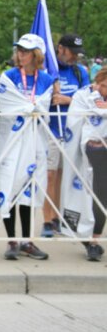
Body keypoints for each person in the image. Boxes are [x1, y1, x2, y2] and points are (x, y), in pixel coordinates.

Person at [0, 33, 55, 260]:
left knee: (29, 190)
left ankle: (27, 241)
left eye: (26, 51)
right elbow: (6, 103)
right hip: (11, 139)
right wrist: (30, 107)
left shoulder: (46, 79)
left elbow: (44, 107)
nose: (21, 54)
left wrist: (31, 107)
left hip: (36, 141)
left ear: (36, 54)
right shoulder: (8, 76)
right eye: (19, 50)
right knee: (10, 187)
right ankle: (11, 241)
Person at [42, 34, 90, 237]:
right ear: (60, 49)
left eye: (77, 54)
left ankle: (58, 216)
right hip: (51, 128)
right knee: (50, 175)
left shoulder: (80, 73)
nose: (74, 58)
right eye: (71, 53)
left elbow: (87, 99)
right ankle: (46, 220)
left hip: (71, 131)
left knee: (64, 175)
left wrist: (67, 99)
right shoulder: (49, 70)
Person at [60, 67, 107, 261]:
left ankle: (93, 237)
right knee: (96, 193)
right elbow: (75, 121)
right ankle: (92, 241)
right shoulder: (83, 95)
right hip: (89, 150)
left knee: (103, 195)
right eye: (103, 85)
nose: (104, 90)